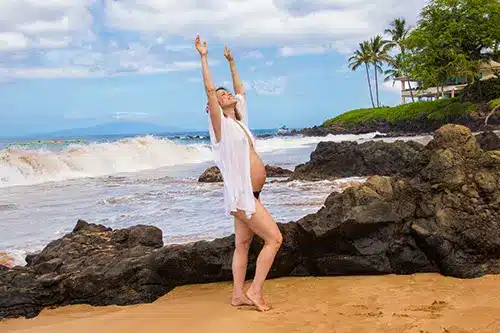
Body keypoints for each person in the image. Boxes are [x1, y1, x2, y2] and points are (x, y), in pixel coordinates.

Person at [195, 35, 283, 312]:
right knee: (275, 239)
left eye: (227, 94)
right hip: (242, 196)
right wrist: (204, 57)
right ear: (215, 108)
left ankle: (237, 294)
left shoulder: (240, 122)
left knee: (243, 244)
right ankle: (255, 290)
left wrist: (232, 62)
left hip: (251, 194)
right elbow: (210, 91)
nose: (227, 95)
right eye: (221, 96)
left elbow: (240, 89)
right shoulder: (220, 127)